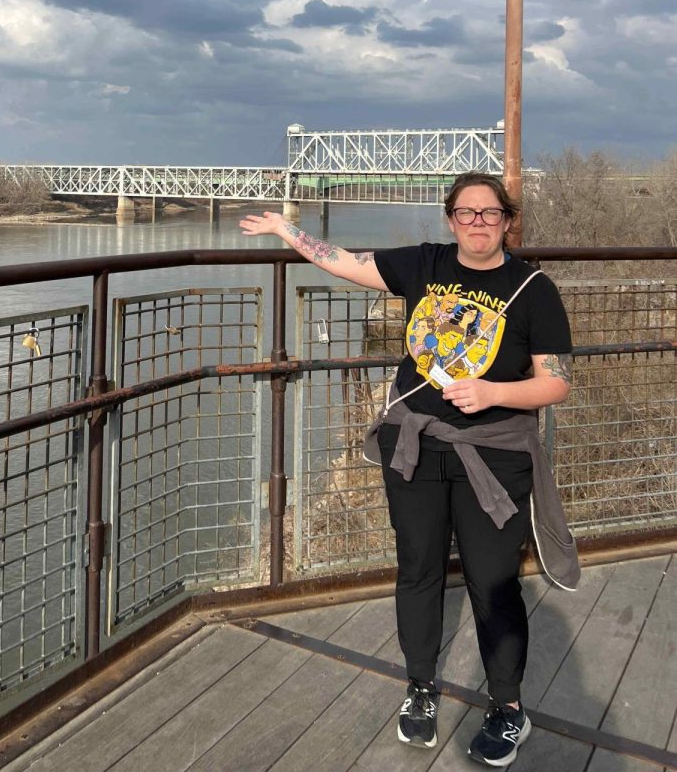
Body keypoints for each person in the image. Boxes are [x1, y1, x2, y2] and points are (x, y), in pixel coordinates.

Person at [239, 172, 575, 767]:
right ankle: (421, 687)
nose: (478, 223)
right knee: (417, 568)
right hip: (413, 446)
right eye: (466, 213)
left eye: (489, 213)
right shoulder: (425, 264)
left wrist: (495, 393)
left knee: (493, 580)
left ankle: (507, 708)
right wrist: (284, 228)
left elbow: (556, 384)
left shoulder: (533, 289)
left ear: (506, 220)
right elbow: (342, 261)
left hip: (494, 455)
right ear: (451, 220)